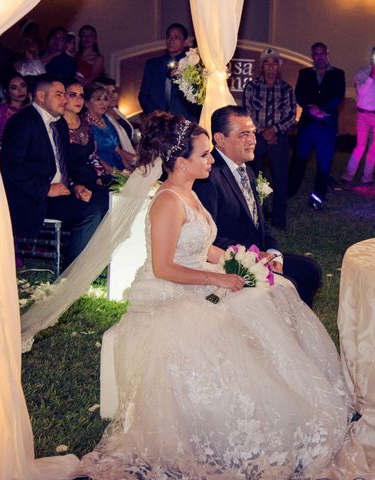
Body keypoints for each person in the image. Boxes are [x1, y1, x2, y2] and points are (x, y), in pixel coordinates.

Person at [81, 111, 351, 479]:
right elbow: (164, 268)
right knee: (237, 323)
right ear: (180, 162)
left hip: (198, 275)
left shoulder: (188, 192)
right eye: (204, 155)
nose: (211, 161)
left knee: (277, 290)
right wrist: (222, 281)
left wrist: (240, 262)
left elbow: (205, 247)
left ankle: (291, 391)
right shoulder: (167, 201)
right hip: (169, 291)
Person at [193, 105, 323, 307]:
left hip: (261, 259)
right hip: (233, 265)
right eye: (244, 134)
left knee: (311, 270)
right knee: (290, 284)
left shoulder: (248, 170)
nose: (253, 140)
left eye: (253, 133)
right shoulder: (209, 178)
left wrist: (274, 253)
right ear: (220, 139)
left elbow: (261, 223)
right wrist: (253, 257)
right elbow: (209, 238)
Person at [0, 74, 101, 268]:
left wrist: (74, 185)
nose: (64, 100)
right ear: (40, 96)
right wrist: (46, 189)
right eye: (59, 94)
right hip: (32, 198)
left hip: (59, 193)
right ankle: (73, 275)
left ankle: (93, 266)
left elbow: (62, 164)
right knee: (90, 213)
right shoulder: (23, 122)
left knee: (104, 202)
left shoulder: (59, 124)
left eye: (64, 95)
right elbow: (10, 167)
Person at [242, 47, 296, 229]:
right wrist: (263, 132)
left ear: (279, 67)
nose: (271, 67)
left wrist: (274, 130)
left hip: (278, 139)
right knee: (257, 179)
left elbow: (291, 116)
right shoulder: (252, 86)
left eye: (274, 63)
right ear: (261, 66)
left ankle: (279, 220)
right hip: (256, 139)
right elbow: (247, 112)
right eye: (267, 63)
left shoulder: (286, 89)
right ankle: (260, 216)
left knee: (280, 180)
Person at [289, 42, 345, 210]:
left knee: (324, 163)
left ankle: (317, 197)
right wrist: (310, 107)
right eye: (316, 54)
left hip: (327, 126)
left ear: (327, 54)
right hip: (307, 125)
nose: (319, 57)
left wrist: (321, 109)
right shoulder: (304, 73)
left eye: (322, 54)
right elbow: (299, 94)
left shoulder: (338, 74)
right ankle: (290, 190)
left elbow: (338, 96)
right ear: (312, 56)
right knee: (299, 159)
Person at [341, 45, 375, 185]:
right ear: (371, 56)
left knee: (373, 148)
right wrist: (371, 76)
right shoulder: (361, 73)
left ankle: (367, 177)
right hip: (363, 115)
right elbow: (361, 92)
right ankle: (349, 174)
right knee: (360, 146)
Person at [63, 80, 111, 216]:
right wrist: (74, 186)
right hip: (72, 185)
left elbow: (92, 155)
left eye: (81, 96)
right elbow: (60, 164)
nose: (79, 100)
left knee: (116, 199)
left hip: (91, 179)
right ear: (63, 97)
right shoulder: (57, 126)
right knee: (100, 204)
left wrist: (100, 176)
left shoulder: (85, 122)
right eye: (73, 95)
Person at [138, 23, 201, 122]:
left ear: (185, 42)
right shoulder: (152, 65)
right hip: (158, 122)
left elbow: (197, 97)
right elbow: (144, 95)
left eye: (176, 37)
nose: (171, 40)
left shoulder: (193, 64)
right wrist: (156, 114)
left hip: (185, 121)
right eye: (168, 37)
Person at [84, 83, 135, 172]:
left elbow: (117, 150)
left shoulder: (107, 121)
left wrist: (129, 169)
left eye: (105, 99)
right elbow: (95, 158)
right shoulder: (86, 125)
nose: (103, 103)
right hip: (103, 173)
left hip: (119, 169)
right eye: (98, 99)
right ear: (87, 103)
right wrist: (117, 174)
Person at [0, 72, 29, 144]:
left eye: (23, 86)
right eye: (14, 88)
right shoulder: (0, 111)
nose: (20, 91)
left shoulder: (33, 108)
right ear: (6, 91)